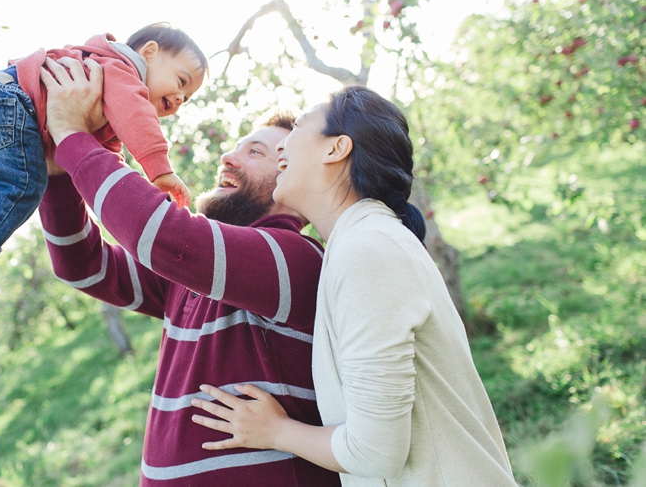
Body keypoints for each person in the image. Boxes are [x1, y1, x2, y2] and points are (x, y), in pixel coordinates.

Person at [190, 86, 517, 486]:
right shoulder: (359, 242)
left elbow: (375, 452)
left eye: (301, 126)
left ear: (336, 149)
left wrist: (276, 431)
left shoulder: (367, 250)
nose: (281, 150)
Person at [38, 57, 341, 486]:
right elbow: (84, 267)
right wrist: (57, 174)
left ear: (293, 177)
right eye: (237, 145)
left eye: (254, 152)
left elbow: (161, 234)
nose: (228, 156)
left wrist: (72, 137)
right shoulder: (193, 274)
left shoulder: (294, 257)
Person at [0, 23, 205, 300]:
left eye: (187, 98)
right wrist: (160, 170)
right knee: (23, 182)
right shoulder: (122, 70)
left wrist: (115, 194)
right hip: (6, 104)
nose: (179, 99)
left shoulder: (110, 102)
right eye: (180, 82)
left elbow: (105, 160)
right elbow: (137, 116)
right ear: (148, 53)